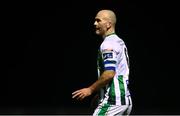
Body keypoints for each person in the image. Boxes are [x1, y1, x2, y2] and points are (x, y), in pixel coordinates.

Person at [72, 9, 132, 116]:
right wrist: (100, 93)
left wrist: (90, 89)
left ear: (108, 24)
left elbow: (109, 73)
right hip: (125, 100)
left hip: (113, 102)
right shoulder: (119, 41)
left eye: (98, 20)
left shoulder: (108, 44)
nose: (95, 23)